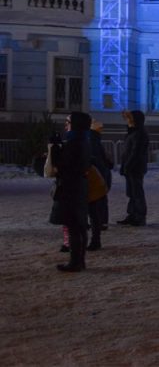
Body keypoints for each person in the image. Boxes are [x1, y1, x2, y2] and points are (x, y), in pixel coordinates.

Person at [46, 112, 92, 272]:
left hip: (71, 188)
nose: (66, 125)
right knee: (78, 225)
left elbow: (63, 165)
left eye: (68, 122)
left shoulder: (75, 142)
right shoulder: (83, 140)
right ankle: (79, 260)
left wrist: (55, 149)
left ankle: (76, 262)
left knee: (74, 225)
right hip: (78, 186)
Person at [117, 110, 149, 226]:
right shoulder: (133, 132)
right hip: (131, 167)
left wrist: (128, 165)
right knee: (132, 192)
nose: (128, 122)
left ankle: (140, 216)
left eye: (130, 119)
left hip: (136, 167)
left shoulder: (139, 134)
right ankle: (132, 214)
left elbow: (135, 153)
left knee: (137, 192)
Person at [86, 120, 113, 250]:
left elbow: (96, 159)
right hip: (102, 173)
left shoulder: (91, 140)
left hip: (97, 174)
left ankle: (100, 223)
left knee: (96, 203)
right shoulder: (95, 140)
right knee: (101, 201)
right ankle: (102, 222)